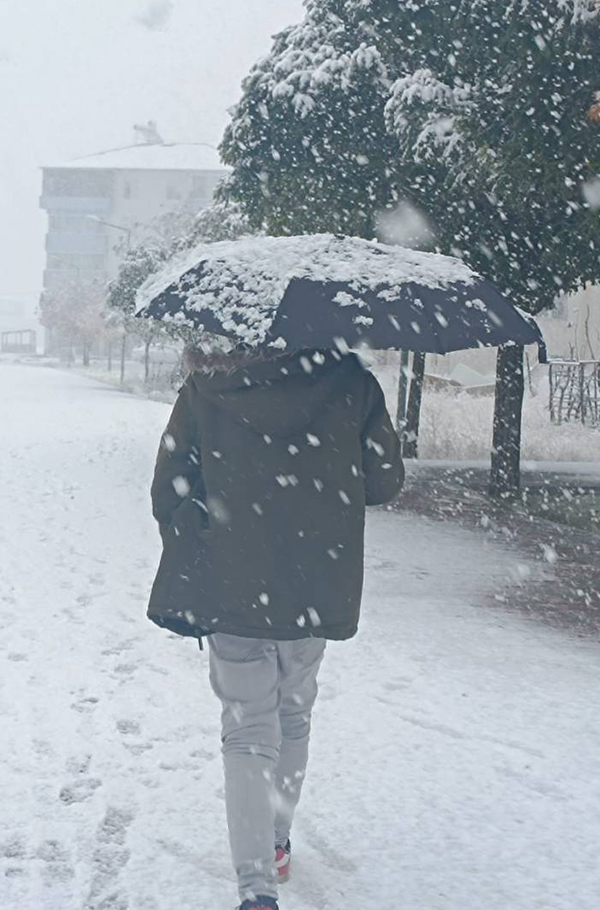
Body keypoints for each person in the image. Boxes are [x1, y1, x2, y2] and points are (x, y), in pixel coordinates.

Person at [147, 344, 405, 910]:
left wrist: (213, 529)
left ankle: (256, 888)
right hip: (316, 581)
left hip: (231, 581)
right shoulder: (350, 383)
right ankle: (277, 838)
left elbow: (169, 490)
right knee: (293, 714)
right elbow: (384, 482)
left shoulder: (208, 385)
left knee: (246, 730)